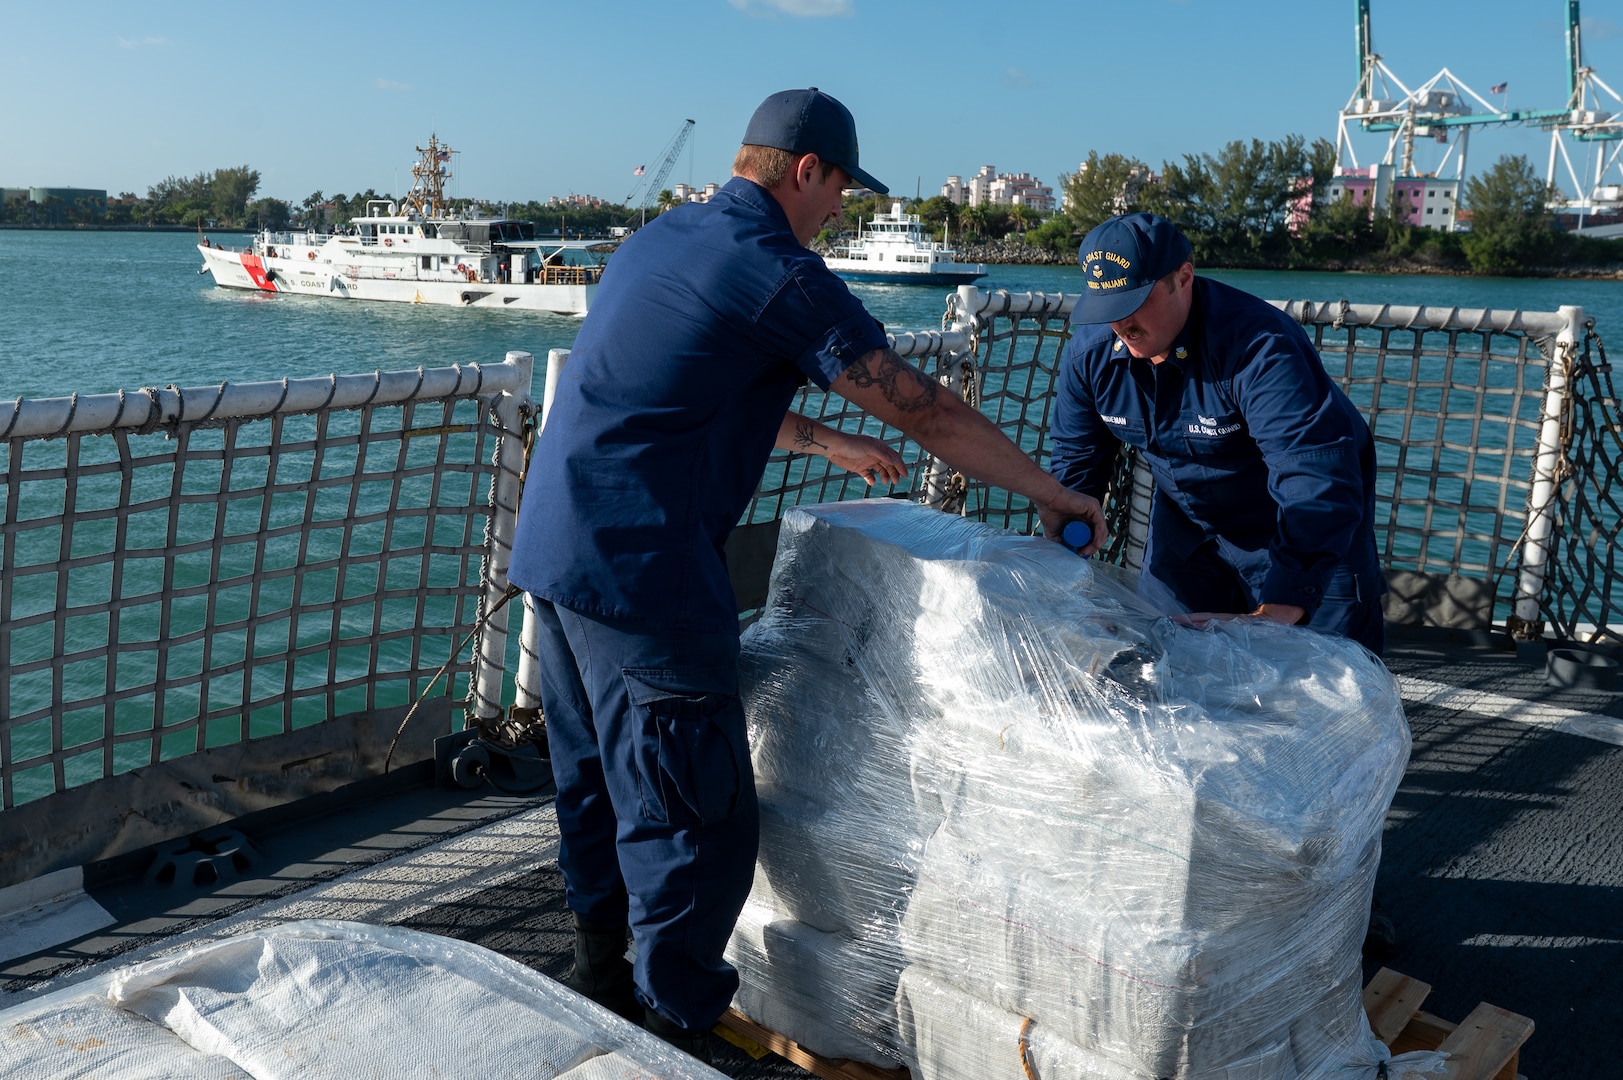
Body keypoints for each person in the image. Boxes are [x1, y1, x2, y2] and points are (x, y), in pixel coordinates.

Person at [507, 87, 1107, 1060]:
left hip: (557, 551)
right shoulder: (779, 272)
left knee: (598, 786)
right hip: (646, 571)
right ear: (806, 171)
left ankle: (602, 982)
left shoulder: (664, 241)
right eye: (840, 194)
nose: (840, 214)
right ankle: (682, 1029)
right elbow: (928, 412)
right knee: (696, 816)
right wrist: (1053, 493)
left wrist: (822, 441)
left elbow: (689, 390)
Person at [1048, 212, 1385, 655]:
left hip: (1303, 532)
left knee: (1327, 693)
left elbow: (1313, 471)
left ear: (1183, 278)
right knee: (1166, 668)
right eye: (1108, 310)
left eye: (1133, 303)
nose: (1121, 324)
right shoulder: (1090, 356)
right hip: (1188, 532)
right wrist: (1061, 566)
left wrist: (1279, 610)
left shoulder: (1261, 348)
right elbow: (1076, 465)